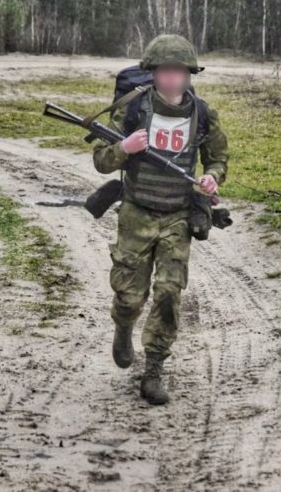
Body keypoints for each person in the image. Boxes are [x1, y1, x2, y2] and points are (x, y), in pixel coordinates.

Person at [91, 34, 229, 405]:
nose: (172, 78)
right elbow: (101, 159)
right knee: (129, 296)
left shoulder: (201, 113)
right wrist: (124, 148)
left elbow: (218, 159)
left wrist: (212, 177)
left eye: (179, 72)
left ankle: (153, 369)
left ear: (189, 74)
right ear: (152, 72)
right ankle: (123, 325)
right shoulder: (133, 109)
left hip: (178, 216)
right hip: (136, 212)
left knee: (169, 293)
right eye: (165, 71)